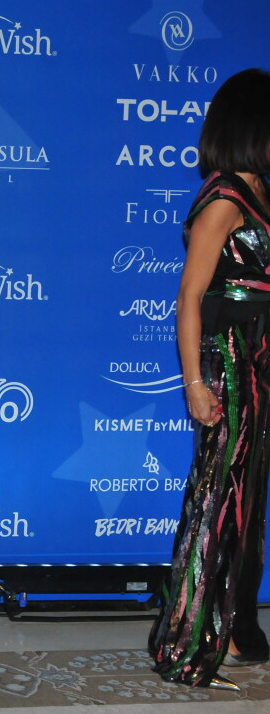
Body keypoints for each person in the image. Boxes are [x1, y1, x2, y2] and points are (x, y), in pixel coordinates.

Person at [149, 68, 270, 691]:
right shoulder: (223, 197)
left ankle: (234, 629)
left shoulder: (258, 191)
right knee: (216, 505)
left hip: (260, 364)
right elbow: (190, 296)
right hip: (228, 364)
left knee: (245, 506)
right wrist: (196, 383)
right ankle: (186, 644)